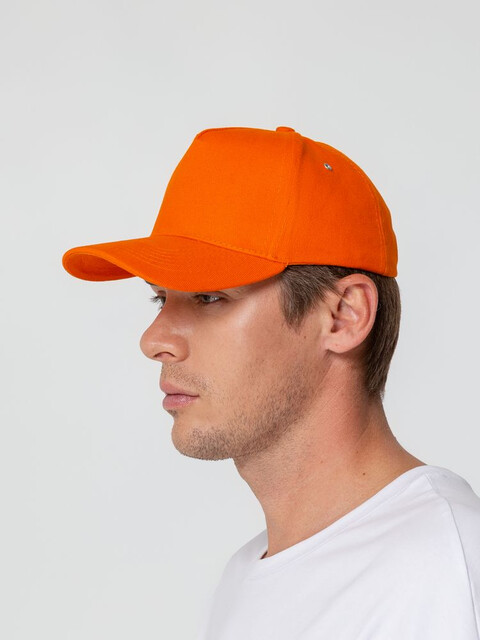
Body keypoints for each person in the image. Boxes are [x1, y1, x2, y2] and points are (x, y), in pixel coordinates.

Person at [62, 125, 480, 639]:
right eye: (160, 298)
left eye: (209, 297)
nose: (154, 340)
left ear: (343, 315)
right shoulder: (246, 577)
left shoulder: (441, 567)